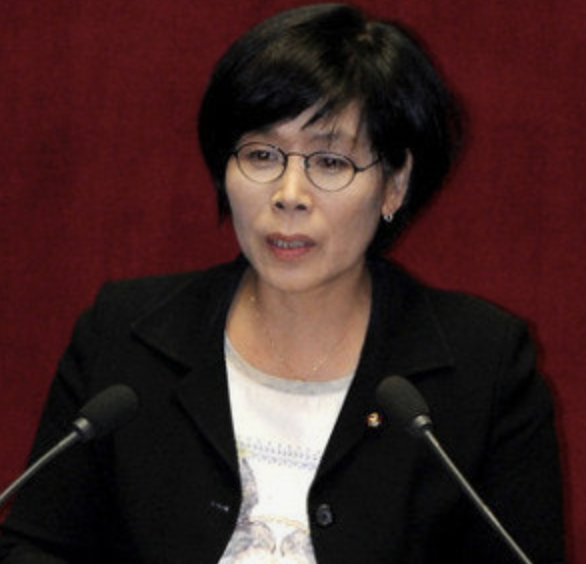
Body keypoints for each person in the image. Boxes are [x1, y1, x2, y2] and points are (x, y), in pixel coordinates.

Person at [0, 3, 565, 563]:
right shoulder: (124, 336)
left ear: (394, 184)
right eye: (262, 154)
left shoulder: (483, 366)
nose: (289, 194)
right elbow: (34, 547)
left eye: (330, 162)